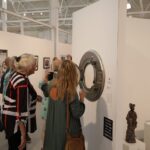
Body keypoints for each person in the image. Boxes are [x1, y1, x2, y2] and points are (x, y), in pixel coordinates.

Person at [43, 60, 85, 150]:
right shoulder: (71, 92)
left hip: (52, 130)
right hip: (66, 133)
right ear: (72, 74)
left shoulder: (51, 86)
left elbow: (44, 88)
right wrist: (82, 99)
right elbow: (77, 113)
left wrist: (45, 78)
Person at [2, 53, 37, 150]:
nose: (35, 67)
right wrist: (23, 135)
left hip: (9, 119)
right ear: (28, 66)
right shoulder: (21, 81)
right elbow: (20, 111)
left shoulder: (19, 76)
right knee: (17, 146)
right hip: (14, 123)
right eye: (34, 65)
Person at [39, 57, 62, 146]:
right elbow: (42, 86)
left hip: (50, 107)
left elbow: (41, 85)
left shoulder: (52, 79)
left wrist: (45, 78)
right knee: (47, 129)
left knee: (47, 129)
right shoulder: (58, 79)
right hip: (50, 108)